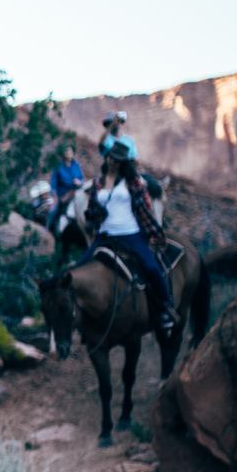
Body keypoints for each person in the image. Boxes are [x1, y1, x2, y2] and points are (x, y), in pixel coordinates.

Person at [80, 137, 177, 331]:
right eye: (110, 157)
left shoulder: (133, 181)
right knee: (80, 267)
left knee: (151, 267)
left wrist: (153, 232)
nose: (112, 161)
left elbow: (145, 208)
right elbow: (91, 209)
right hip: (104, 236)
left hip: (130, 234)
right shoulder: (99, 182)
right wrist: (94, 214)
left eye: (117, 159)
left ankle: (166, 307)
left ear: (123, 162)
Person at [47, 144, 85, 230]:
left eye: (70, 151)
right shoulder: (58, 166)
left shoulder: (76, 165)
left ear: (73, 153)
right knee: (53, 210)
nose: (68, 152)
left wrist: (79, 182)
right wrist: (54, 194)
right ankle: (46, 228)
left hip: (72, 194)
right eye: (66, 151)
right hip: (60, 194)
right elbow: (53, 181)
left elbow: (82, 180)